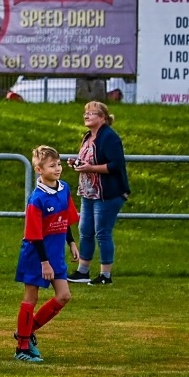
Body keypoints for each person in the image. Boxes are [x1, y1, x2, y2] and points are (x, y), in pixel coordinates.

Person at [14, 145, 80, 363]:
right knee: (31, 298)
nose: (58, 168)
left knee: (64, 296)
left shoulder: (64, 189)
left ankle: (25, 331)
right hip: (36, 255)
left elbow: (64, 218)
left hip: (56, 255)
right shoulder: (36, 200)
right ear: (39, 170)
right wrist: (44, 263)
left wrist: (71, 242)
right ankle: (22, 347)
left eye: (59, 164)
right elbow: (33, 234)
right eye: (52, 165)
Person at [69, 100, 129, 286]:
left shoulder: (109, 137)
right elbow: (87, 161)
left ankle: (105, 275)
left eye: (92, 113)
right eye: (85, 113)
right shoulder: (88, 136)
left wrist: (91, 167)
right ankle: (83, 271)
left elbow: (115, 165)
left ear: (102, 118)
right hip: (88, 193)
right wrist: (77, 163)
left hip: (108, 194)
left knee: (102, 233)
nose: (86, 116)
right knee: (85, 231)